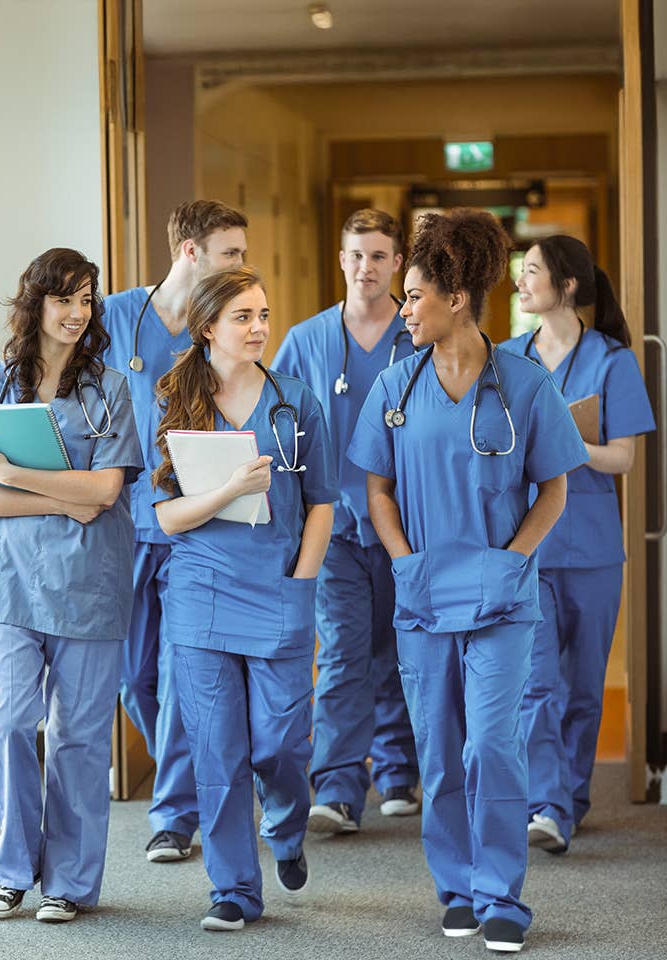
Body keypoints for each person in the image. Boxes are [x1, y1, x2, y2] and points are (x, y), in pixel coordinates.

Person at [346, 210, 588, 953]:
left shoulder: (523, 383)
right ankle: (455, 887)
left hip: (500, 596)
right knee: (441, 750)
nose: (402, 306)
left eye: (413, 295)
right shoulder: (396, 382)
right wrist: (402, 560)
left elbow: (554, 489)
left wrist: (514, 561)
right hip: (423, 593)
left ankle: (500, 895)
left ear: (455, 300)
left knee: (492, 744)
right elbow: (377, 489)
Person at [0, 248, 144, 923]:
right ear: (36, 304)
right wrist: (59, 496)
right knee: (6, 723)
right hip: (5, 584)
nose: (77, 313)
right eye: (65, 299)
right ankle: (12, 871)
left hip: (87, 583)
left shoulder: (109, 391)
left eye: (87, 300)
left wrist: (12, 473)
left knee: (80, 738)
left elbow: (105, 492)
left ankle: (68, 881)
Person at [151, 266, 337, 931]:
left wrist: (301, 581)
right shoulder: (172, 401)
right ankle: (233, 889)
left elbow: (322, 503)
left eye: (264, 314)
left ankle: (285, 826)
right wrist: (229, 489)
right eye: (243, 318)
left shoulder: (297, 402)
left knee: (281, 744)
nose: (260, 328)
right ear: (208, 329)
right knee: (217, 751)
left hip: (280, 588)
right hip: (201, 593)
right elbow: (167, 518)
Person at [103, 200, 248, 862]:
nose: (242, 265)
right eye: (231, 253)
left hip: (193, 527)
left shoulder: (220, 326)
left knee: (182, 669)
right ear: (190, 252)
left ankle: (175, 813)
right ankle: (207, 774)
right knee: (135, 678)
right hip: (125, 525)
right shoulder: (116, 316)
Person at [500, 236, 655, 854]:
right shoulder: (507, 359)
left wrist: (566, 443)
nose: (521, 281)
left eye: (531, 271)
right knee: (535, 682)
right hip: (528, 545)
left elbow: (622, 457)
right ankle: (548, 805)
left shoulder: (611, 360)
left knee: (583, 686)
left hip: (592, 550)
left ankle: (569, 797)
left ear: (566, 285)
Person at [271, 209, 421, 836]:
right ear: (341, 260)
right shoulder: (306, 341)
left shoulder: (419, 336)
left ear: (398, 264)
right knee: (341, 653)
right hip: (331, 527)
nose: (367, 268)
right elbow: (274, 418)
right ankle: (335, 785)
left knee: (401, 648)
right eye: (356, 255)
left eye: (380, 256)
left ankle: (397, 770)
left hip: (406, 524)